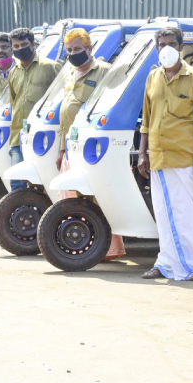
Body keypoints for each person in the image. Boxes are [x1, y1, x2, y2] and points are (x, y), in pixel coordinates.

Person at [137, 26, 193, 282]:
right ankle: (167, 263)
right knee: (165, 215)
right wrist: (143, 154)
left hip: (187, 158)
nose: (167, 49)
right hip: (159, 159)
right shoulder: (153, 78)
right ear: (156, 49)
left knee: (191, 214)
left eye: (172, 44)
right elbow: (146, 120)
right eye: (162, 44)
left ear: (182, 47)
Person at [55, 28, 125, 261]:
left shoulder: (104, 72)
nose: (73, 54)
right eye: (70, 50)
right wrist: (62, 149)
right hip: (71, 145)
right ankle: (86, 246)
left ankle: (108, 249)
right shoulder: (69, 74)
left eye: (78, 49)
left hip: (91, 147)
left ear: (90, 49)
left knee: (96, 198)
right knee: (74, 197)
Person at [7, 27, 61, 191]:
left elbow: (61, 99)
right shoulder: (13, 72)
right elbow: (13, 102)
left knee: (44, 182)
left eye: (24, 44)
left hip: (43, 136)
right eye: (15, 46)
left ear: (33, 44)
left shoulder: (51, 67)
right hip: (18, 134)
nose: (19, 49)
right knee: (17, 181)